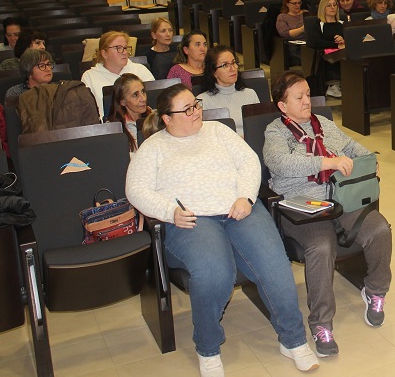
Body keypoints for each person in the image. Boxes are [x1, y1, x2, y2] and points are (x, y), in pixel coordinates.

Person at [127, 84, 319, 376]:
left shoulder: (218, 131)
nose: (196, 112)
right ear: (167, 119)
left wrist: (246, 196)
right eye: (187, 109)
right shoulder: (153, 148)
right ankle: (208, 347)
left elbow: (249, 162)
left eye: (197, 104)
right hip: (192, 220)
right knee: (215, 272)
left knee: (275, 265)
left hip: (239, 209)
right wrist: (170, 212)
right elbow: (135, 190)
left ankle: (293, 339)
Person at [264, 71, 392, 358]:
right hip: (304, 206)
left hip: (339, 199)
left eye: (308, 94)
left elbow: (350, 145)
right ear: (282, 105)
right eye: (299, 97)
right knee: (322, 247)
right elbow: (281, 164)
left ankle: (375, 290)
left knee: (379, 229)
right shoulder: (274, 132)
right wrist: (327, 161)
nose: (307, 101)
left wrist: (367, 160)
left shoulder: (322, 123)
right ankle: (321, 324)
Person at [81, 30, 154, 119]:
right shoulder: (89, 77)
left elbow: (152, 102)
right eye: (118, 48)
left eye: (125, 48)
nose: (124, 52)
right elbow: (88, 112)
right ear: (104, 54)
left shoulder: (140, 70)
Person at [196, 46, 259, 136]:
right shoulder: (202, 100)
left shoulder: (250, 94)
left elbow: (258, 127)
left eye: (233, 63)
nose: (233, 68)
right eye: (225, 65)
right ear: (213, 72)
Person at [0, 28, 48, 99]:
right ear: (25, 45)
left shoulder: (48, 65)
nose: (43, 47)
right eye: (38, 43)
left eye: (43, 43)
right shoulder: (7, 65)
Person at [305, 0, 345, 98]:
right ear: (323, 8)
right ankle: (333, 85)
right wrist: (336, 44)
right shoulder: (318, 24)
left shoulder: (342, 23)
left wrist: (343, 40)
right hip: (326, 54)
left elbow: (351, 38)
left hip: (343, 51)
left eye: (335, 5)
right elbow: (316, 42)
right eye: (329, 5)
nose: (333, 8)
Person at [106, 73, 152, 153]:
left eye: (143, 92)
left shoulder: (154, 117)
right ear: (122, 102)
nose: (143, 98)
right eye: (135, 95)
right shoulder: (114, 128)